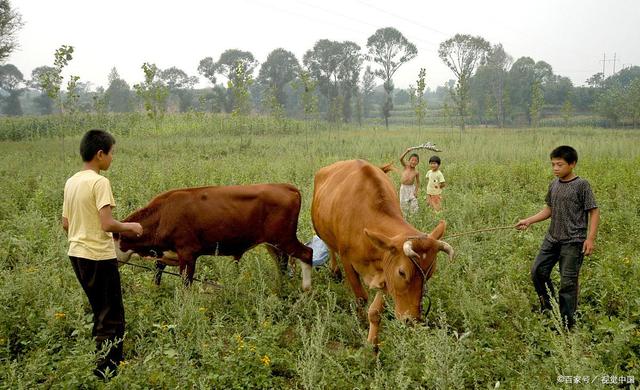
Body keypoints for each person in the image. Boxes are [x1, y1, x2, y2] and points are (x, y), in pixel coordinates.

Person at [62, 129, 143, 378]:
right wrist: (130, 226)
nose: (112, 158)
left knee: (100, 309)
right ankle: (107, 372)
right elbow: (107, 224)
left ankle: (100, 358)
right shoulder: (100, 182)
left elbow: (66, 223)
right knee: (112, 315)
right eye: (112, 153)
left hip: (77, 254)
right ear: (100, 154)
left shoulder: (72, 181)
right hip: (98, 256)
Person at [516, 145, 599, 330]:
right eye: (553, 164)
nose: (555, 168)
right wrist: (528, 221)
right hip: (552, 238)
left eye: (559, 164)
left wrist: (590, 238)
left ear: (572, 164)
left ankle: (567, 323)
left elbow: (593, 211)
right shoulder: (553, 185)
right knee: (538, 271)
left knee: (568, 283)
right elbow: (549, 210)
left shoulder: (581, 185)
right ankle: (549, 308)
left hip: (573, 241)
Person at [399, 147, 421, 215]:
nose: (413, 162)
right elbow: (401, 159)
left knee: (414, 204)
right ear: (409, 161)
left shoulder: (416, 172)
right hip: (404, 188)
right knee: (403, 204)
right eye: (412, 160)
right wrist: (407, 151)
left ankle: (414, 216)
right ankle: (405, 218)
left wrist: (416, 191)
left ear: (418, 162)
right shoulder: (406, 166)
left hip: (411, 188)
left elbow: (418, 182)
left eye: (415, 161)